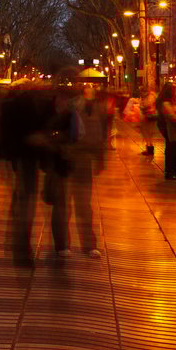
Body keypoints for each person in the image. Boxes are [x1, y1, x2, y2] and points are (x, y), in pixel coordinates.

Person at [0, 85, 72, 267]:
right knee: (26, 202)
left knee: (25, 201)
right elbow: (14, 134)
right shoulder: (30, 106)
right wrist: (34, 140)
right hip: (25, 157)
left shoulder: (44, 106)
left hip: (30, 157)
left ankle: (22, 249)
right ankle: (21, 251)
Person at [66, 83, 107, 258]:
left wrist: (99, 157)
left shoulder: (97, 107)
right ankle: (66, 245)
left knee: (83, 203)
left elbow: (99, 132)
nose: (89, 90)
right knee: (67, 204)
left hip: (82, 159)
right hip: (68, 158)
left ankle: (87, 244)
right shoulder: (71, 105)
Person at [140, 87, 158, 156]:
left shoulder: (150, 96)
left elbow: (146, 105)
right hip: (150, 115)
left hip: (148, 115)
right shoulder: (152, 96)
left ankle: (149, 149)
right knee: (149, 133)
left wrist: (142, 106)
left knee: (147, 132)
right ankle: (149, 148)